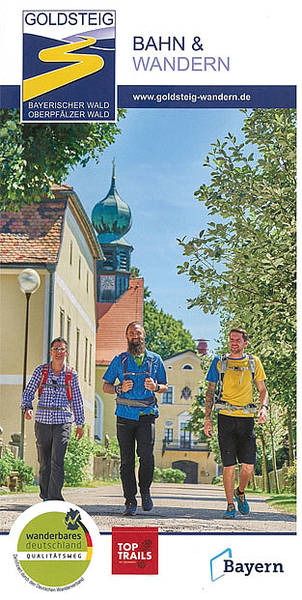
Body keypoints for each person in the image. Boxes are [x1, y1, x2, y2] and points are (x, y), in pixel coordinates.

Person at [103, 322, 168, 516]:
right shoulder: (119, 360)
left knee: (147, 457)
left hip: (146, 414)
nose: (135, 336)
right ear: (127, 337)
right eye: (131, 333)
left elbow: (165, 385)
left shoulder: (155, 360)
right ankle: (130, 500)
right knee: (127, 460)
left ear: (144, 335)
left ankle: (145, 491)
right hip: (124, 415)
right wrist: (118, 388)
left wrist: (156, 387)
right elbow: (105, 385)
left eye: (138, 333)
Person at [204, 328, 268, 519]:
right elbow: (210, 391)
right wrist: (207, 418)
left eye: (237, 340)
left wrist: (263, 408)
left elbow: (263, 389)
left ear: (245, 343)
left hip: (246, 419)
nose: (233, 343)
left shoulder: (253, 362)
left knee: (248, 466)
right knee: (229, 465)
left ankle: (240, 492)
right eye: (231, 339)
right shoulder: (219, 362)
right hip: (225, 417)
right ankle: (230, 505)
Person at [21, 337, 84, 501]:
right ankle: (45, 494)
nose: (58, 352)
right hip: (42, 421)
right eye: (56, 349)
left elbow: (77, 399)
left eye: (62, 349)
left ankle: (55, 497)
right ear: (50, 352)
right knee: (44, 461)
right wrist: (27, 407)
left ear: (66, 353)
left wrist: (80, 423)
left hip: (63, 421)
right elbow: (28, 392)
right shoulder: (40, 371)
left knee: (57, 459)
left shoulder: (71, 374)